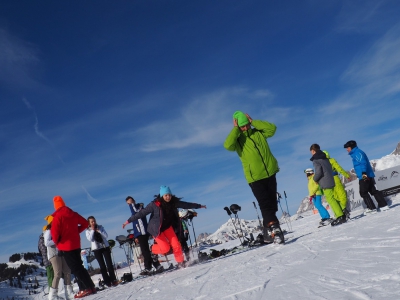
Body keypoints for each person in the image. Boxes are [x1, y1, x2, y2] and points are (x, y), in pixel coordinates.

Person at [223, 111, 284, 244]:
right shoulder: (238, 141)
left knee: (272, 204)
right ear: (238, 127)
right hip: (255, 178)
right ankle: (275, 229)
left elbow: (272, 129)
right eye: (242, 126)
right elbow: (227, 145)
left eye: (246, 125)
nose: (245, 128)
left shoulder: (259, 133)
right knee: (265, 204)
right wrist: (235, 130)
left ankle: (267, 232)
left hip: (270, 172)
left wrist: (253, 121)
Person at [123, 186, 206, 268]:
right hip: (156, 229)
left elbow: (186, 204)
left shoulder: (173, 202)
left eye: (169, 195)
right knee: (166, 248)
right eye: (166, 195)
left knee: (176, 245)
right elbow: (141, 213)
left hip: (167, 227)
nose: (168, 197)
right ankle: (153, 250)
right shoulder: (155, 204)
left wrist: (199, 206)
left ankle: (181, 262)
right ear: (162, 195)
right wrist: (128, 221)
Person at [51, 196, 95, 298]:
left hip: (66, 246)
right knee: (80, 266)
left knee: (75, 268)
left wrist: (58, 242)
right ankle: (91, 286)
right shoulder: (73, 214)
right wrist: (76, 231)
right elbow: (85, 223)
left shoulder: (57, 217)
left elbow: (55, 234)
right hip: (76, 244)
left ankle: (85, 288)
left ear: (56, 206)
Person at [344, 140, 389, 214]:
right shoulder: (357, 153)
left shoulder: (357, 153)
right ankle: (383, 205)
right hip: (367, 174)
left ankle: (371, 208)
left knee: (363, 192)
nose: (347, 149)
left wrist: (364, 175)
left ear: (351, 147)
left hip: (364, 175)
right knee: (373, 190)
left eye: (347, 147)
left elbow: (363, 163)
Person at [125, 196, 164, 275]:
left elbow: (136, 213)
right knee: (146, 251)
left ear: (134, 201)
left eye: (130, 202)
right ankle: (156, 265)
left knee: (145, 251)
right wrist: (135, 235)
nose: (130, 204)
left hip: (143, 232)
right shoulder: (137, 209)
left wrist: (131, 205)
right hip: (139, 233)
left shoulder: (139, 208)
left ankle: (148, 267)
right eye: (128, 203)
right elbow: (135, 222)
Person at [310, 144, 346, 226]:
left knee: (330, 199)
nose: (311, 154)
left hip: (324, 181)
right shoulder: (325, 158)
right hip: (331, 179)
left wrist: (315, 179)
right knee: (333, 198)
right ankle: (340, 213)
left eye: (311, 152)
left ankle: (340, 215)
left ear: (313, 151)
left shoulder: (316, 160)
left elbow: (319, 172)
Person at [43, 215, 74, 300]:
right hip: (54, 255)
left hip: (61, 253)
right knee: (58, 273)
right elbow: (46, 243)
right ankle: (52, 296)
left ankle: (69, 293)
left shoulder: (58, 230)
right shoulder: (48, 231)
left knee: (67, 271)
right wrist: (57, 239)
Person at [86, 216, 118, 287]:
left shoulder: (100, 227)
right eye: (92, 222)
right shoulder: (88, 231)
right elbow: (90, 239)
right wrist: (93, 230)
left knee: (109, 263)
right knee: (102, 266)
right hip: (96, 249)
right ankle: (107, 281)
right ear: (89, 223)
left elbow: (106, 236)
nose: (93, 223)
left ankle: (113, 279)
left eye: (94, 221)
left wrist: (99, 231)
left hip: (104, 247)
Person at [323, 150, 351, 218]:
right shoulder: (331, 160)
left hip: (327, 181)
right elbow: (339, 168)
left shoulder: (322, 163)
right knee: (342, 195)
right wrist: (346, 175)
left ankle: (338, 213)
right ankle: (344, 210)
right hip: (335, 179)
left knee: (335, 197)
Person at [38, 222, 54, 293]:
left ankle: (53, 291)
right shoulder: (42, 240)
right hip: (48, 261)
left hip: (48, 260)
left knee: (52, 276)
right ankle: (51, 292)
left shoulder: (42, 240)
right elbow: (44, 251)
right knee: (51, 276)